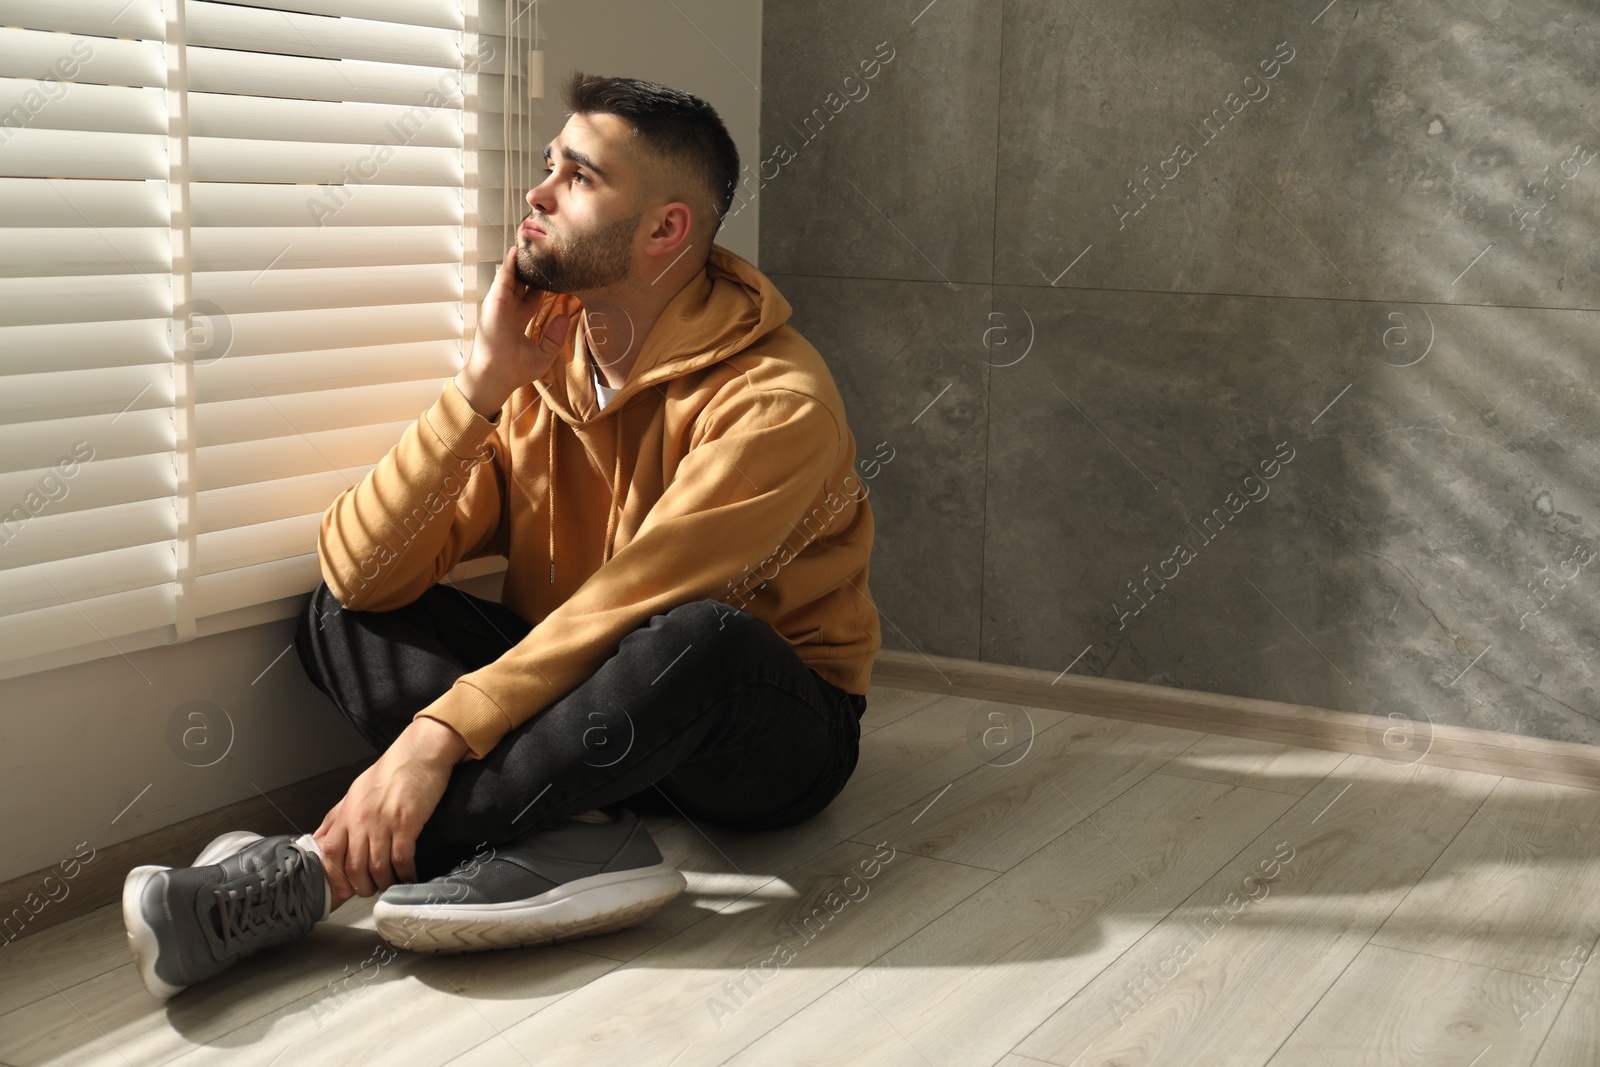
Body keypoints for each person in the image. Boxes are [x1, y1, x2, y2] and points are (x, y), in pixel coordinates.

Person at [121, 70, 880, 1001]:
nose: (538, 191)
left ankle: (311, 871)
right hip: (578, 709)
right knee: (335, 609)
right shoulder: (543, 361)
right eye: (548, 163)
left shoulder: (776, 404)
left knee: (697, 638)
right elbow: (362, 575)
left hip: (752, 731)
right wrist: (483, 386)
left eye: (580, 176)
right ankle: (570, 828)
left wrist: (432, 737)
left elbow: (631, 602)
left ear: (665, 230)